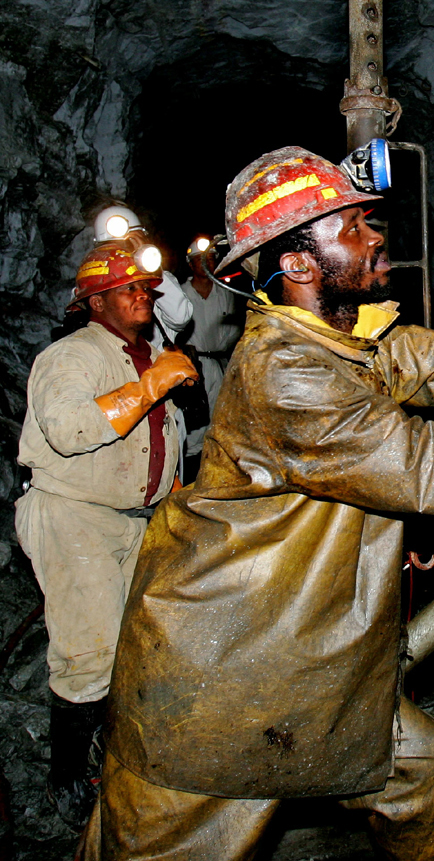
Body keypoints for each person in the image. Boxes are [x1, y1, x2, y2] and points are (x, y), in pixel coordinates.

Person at [80, 146, 434, 859]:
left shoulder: (337, 345)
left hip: (312, 653)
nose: (375, 235)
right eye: (349, 228)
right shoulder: (284, 373)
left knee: (424, 781)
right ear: (296, 265)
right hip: (218, 671)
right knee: (148, 846)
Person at [14, 243, 197, 827]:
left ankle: (120, 763)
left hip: (136, 520)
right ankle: (69, 783)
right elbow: (68, 430)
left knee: (141, 648)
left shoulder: (154, 356)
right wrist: (151, 387)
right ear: (95, 301)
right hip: (75, 514)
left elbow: (163, 452)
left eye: (145, 286)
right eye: (126, 288)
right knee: (90, 654)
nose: (141, 294)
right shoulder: (71, 356)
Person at [172, 235, 244, 476]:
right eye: (199, 260)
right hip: (195, 365)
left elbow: (234, 329)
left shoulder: (225, 291)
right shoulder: (180, 294)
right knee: (194, 427)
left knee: (223, 422)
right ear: (190, 264)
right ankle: (190, 477)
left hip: (222, 363)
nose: (206, 264)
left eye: (211, 259)